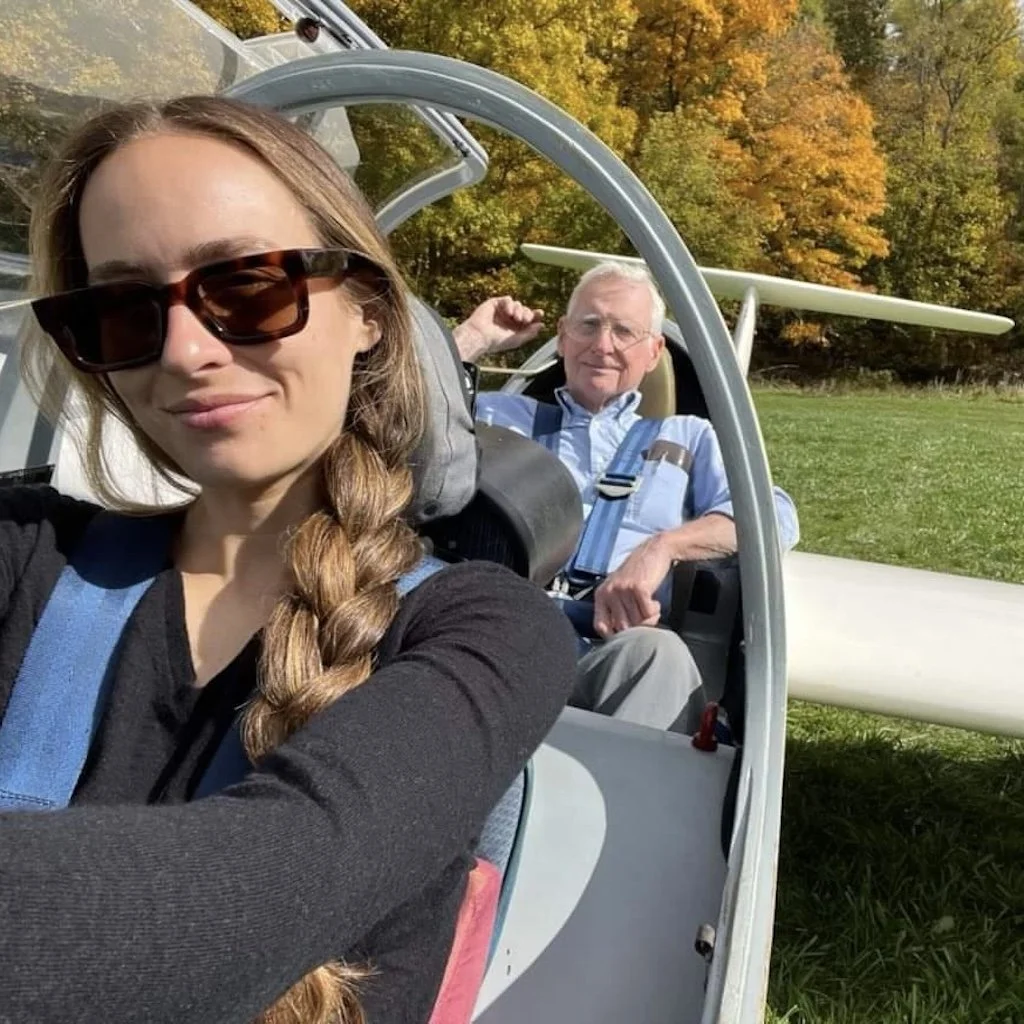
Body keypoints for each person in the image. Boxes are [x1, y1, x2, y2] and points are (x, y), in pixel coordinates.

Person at [0, 96, 577, 1024]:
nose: (186, 352)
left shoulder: (489, 634)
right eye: (120, 311)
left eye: (249, 286)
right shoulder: (22, 556)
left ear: (369, 314)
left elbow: (275, 879)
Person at [453, 262, 799, 732]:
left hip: (613, 651)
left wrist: (663, 548)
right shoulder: (497, 415)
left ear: (654, 351)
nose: (602, 345)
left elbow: (774, 516)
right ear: (562, 336)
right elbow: (387, 414)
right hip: (491, 638)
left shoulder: (690, 437)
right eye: (589, 325)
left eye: (624, 331)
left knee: (658, 656)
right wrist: (471, 340)